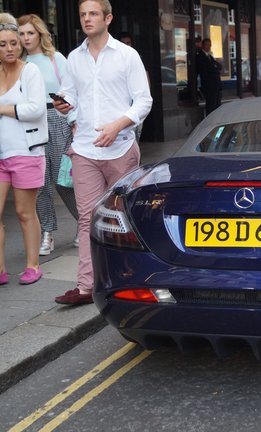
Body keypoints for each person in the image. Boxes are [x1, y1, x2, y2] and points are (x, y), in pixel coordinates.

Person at [52, 0, 152, 305]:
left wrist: (118, 125)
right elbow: (69, 93)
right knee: (87, 218)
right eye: (83, 14)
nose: (86, 19)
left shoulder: (127, 55)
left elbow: (143, 101)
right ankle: (86, 286)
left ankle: (126, 280)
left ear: (107, 18)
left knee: (121, 218)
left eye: (93, 13)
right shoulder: (74, 57)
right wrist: (62, 103)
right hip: (84, 149)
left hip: (120, 147)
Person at [17, 13, 79, 256]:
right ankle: (48, 233)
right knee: (39, 184)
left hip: (57, 118)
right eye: (21, 33)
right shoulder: (17, 62)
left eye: (30, 33)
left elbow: (71, 92)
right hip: (30, 123)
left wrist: (74, 122)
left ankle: (83, 225)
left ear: (40, 34)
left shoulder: (56, 58)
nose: (25, 38)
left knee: (63, 181)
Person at [0, 13, 47, 285]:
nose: (9, 48)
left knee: (23, 212)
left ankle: (33, 265)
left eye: (13, 43)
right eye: (3, 44)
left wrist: (3, 109)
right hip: (1, 153)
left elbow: (35, 109)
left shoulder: (30, 71)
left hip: (26, 151)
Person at [196, 37, 222, 115]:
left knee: (217, 105)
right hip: (209, 86)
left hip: (216, 85)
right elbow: (208, 69)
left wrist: (215, 67)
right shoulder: (200, 56)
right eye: (207, 45)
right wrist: (214, 67)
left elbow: (219, 66)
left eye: (209, 45)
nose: (208, 47)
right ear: (203, 46)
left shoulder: (209, 56)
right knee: (211, 106)